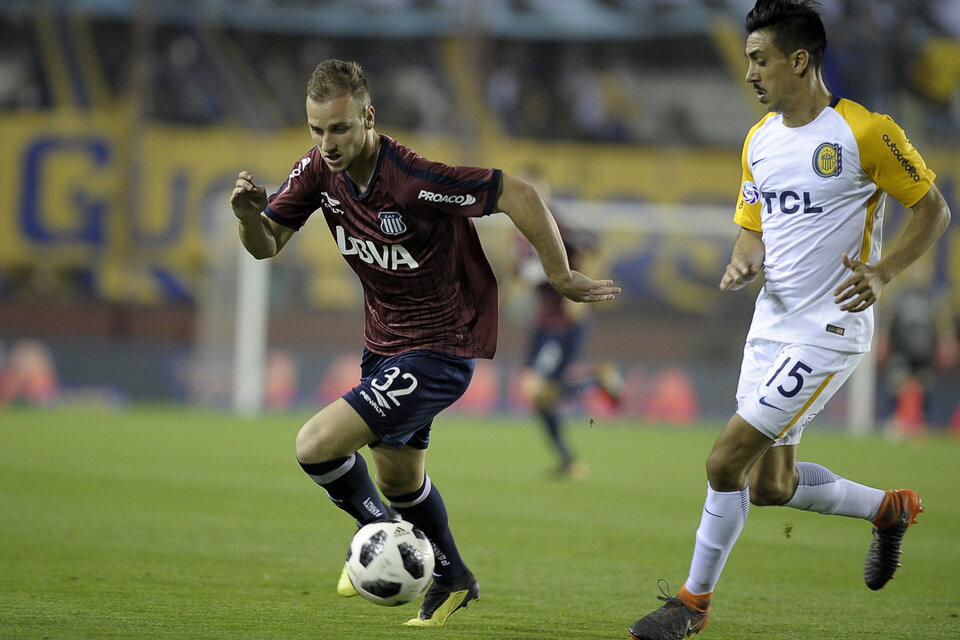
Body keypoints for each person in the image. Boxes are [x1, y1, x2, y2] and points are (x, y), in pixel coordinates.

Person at [229, 59, 620, 628]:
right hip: (384, 346)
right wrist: (247, 218)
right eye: (316, 130)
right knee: (398, 481)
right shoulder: (317, 171)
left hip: (440, 348)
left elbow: (518, 192)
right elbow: (265, 247)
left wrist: (558, 274)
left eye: (338, 128)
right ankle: (455, 577)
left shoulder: (415, 180)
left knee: (315, 445)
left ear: (367, 116)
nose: (327, 143)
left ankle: (379, 537)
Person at [626, 2, 952, 639]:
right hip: (769, 325)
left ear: (799, 59)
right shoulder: (759, 140)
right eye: (748, 58)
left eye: (759, 59)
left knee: (725, 462)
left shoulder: (866, 132)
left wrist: (883, 271)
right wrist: (740, 262)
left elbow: (933, 211)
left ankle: (691, 606)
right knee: (771, 485)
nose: (749, 72)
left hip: (829, 328)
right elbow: (752, 231)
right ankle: (889, 510)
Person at [509, 167, 623, 479]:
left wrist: (583, 296)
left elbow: (596, 248)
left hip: (563, 322)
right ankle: (569, 461)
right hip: (542, 321)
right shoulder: (518, 231)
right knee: (541, 398)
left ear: (545, 189)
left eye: (533, 186)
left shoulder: (557, 224)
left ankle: (597, 381)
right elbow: (522, 273)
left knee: (536, 389)